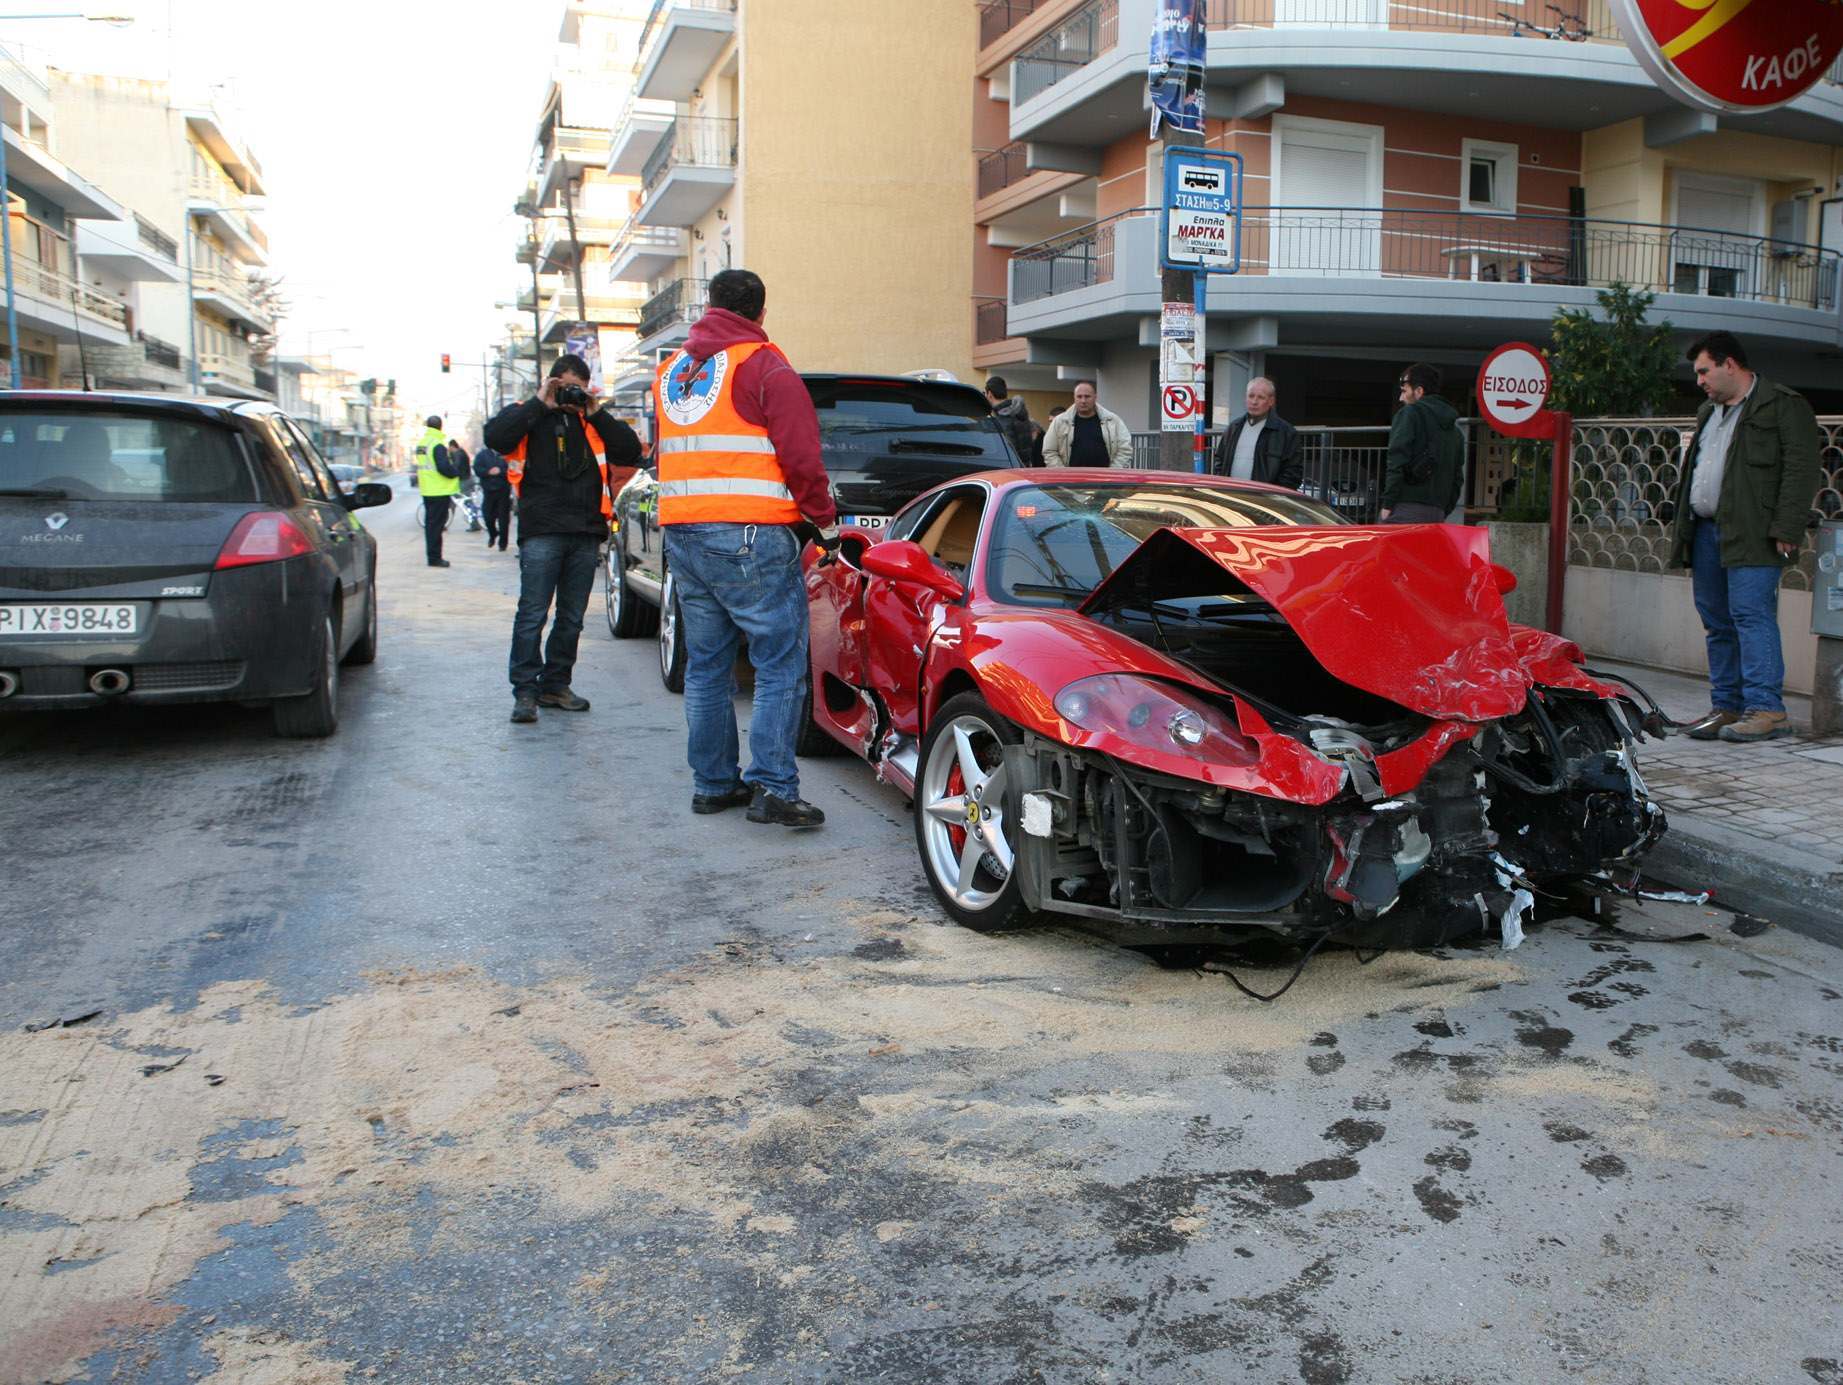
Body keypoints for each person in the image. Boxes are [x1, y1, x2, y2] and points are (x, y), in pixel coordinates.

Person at [655, 267, 834, 828]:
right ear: (760, 312)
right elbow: (801, 456)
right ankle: (775, 789)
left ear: (710, 306)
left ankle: (713, 785)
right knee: (779, 664)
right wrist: (824, 522)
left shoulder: (671, 372)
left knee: (706, 665)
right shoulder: (764, 364)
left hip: (683, 532)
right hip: (749, 536)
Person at [1667, 332, 1820, 744]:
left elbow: (1802, 469)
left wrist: (1787, 527)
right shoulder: (1707, 411)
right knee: (1717, 621)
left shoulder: (1782, 405)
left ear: (1729, 364)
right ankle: (1727, 705)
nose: (1699, 380)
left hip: (1755, 531)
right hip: (1705, 530)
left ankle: (1766, 709)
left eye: (1704, 370)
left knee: (1751, 616)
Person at [484, 354, 642, 724]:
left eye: (578, 388)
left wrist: (595, 410)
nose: (571, 395)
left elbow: (630, 451)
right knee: (532, 614)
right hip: (542, 530)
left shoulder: (591, 421)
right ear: (552, 382)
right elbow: (496, 437)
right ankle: (525, 692)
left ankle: (556, 685)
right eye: (565, 387)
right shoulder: (530, 414)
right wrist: (542, 401)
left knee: (571, 618)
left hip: (585, 532)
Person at [1379, 363, 1463, 524]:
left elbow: (1396, 459)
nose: (1400, 398)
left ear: (1419, 391)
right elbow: (1457, 478)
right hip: (1437, 513)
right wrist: (1444, 510)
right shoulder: (1454, 431)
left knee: (1382, 547)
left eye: (1404, 391)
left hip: (1404, 508)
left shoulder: (1410, 414)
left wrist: (1388, 503)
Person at [1209, 377, 1302, 488]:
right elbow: (1219, 460)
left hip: (1265, 500)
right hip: (1232, 495)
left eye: (1261, 397)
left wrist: (1274, 495)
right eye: (1251, 396)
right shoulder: (1234, 428)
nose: (1254, 402)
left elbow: (1293, 473)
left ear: (1271, 401)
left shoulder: (1286, 433)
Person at [414, 414, 467, 567]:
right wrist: (455, 471)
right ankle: (435, 558)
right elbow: (443, 468)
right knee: (436, 527)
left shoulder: (422, 443)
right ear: (440, 426)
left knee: (431, 525)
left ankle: (432, 556)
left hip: (427, 490)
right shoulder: (437, 444)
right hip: (439, 490)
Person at [1040, 380, 1134, 468]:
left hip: (1106, 481)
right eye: (1079, 396)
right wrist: (1063, 474)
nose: (1083, 401)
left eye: (1087, 396)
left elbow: (1125, 449)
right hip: (1070, 482)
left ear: (1095, 397)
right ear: (1074, 397)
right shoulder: (1059, 422)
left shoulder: (1113, 421)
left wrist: (1113, 473)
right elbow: (1049, 451)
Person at [984, 376, 1036, 466]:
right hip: (1025, 466)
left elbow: (1008, 450)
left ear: (989, 394)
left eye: (985, 393)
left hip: (1011, 470)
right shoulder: (1018, 412)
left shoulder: (1003, 418)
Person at [474, 440, 513, 551]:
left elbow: (513, 468)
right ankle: (493, 533)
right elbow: (477, 469)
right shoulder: (482, 455)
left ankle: (503, 543)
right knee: (487, 516)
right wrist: (488, 472)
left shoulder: (506, 454)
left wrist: (500, 471)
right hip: (488, 490)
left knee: (503, 518)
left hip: (503, 490)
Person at [452, 438, 483, 531]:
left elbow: (456, 467)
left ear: (452, 447)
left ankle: (474, 524)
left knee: (466, 502)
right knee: (467, 501)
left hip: (464, 480)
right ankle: (475, 523)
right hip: (468, 479)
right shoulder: (462, 453)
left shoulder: (458, 454)